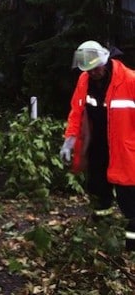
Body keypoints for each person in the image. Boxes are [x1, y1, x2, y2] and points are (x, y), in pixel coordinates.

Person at [61, 40, 135, 251]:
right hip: (98, 149)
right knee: (98, 192)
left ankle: (132, 247)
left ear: (105, 60)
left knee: (131, 202)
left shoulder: (129, 80)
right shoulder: (84, 80)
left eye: (96, 68)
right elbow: (76, 112)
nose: (93, 73)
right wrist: (70, 140)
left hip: (125, 151)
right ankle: (103, 234)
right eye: (89, 70)